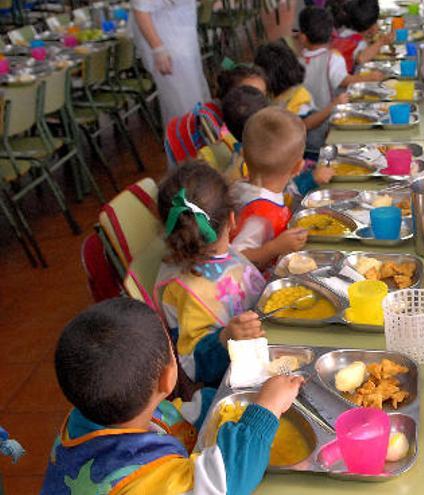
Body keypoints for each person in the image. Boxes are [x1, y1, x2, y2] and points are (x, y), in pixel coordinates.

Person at [41, 298, 304, 494]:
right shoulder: (143, 480)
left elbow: (163, 418)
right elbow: (226, 481)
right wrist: (266, 408)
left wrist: (208, 404)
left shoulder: (94, 409)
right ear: (169, 377)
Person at [154, 161, 267, 389]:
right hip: (229, 380)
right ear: (233, 219)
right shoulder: (183, 290)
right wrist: (224, 339)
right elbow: (194, 366)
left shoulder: (226, 255)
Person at [294, 6, 384, 155]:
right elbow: (343, 80)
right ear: (332, 33)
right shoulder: (333, 57)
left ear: (302, 37)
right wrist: (368, 77)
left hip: (302, 129)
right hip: (327, 124)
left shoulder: (296, 61)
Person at [230, 107, 312, 269]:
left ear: (244, 156)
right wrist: (274, 247)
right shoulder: (260, 215)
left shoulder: (242, 186)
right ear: (298, 167)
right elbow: (236, 258)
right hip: (255, 285)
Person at [254, 40, 349, 158]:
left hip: (311, 148)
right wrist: (332, 106)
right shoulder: (295, 95)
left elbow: (305, 124)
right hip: (310, 151)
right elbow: (304, 125)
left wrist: (332, 106)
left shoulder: (292, 97)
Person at [131, 0, 210, 125]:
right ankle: (190, 140)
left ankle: (200, 137)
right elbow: (140, 11)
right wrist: (158, 49)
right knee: (183, 103)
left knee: (195, 97)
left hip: (184, 40)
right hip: (169, 47)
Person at [333, 0, 393, 71]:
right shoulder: (353, 38)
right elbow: (361, 58)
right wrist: (381, 42)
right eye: (374, 22)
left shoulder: (344, 28)